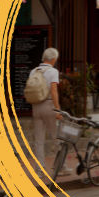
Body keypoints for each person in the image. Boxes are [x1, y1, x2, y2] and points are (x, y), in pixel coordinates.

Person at [30, 48, 66, 176]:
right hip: (49, 105)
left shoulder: (34, 71)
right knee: (57, 136)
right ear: (54, 59)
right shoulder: (53, 71)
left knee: (38, 140)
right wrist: (57, 109)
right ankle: (60, 167)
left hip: (36, 106)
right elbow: (54, 91)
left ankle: (39, 170)